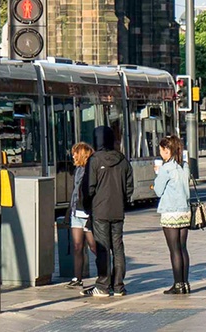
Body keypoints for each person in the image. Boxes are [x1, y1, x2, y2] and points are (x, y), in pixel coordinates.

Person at [81, 126, 133, 298]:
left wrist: (88, 206)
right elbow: (129, 187)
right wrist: (122, 202)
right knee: (118, 248)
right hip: (118, 211)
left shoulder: (94, 160)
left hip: (100, 211)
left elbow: (88, 187)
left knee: (103, 248)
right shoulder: (123, 160)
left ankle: (103, 285)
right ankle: (119, 286)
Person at [154, 134, 191, 295]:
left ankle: (177, 284)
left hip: (170, 212)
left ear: (166, 150)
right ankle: (185, 283)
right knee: (183, 248)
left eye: (161, 150)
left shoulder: (166, 168)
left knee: (174, 250)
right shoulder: (184, 166)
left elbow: (158, 191)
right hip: (185, 210)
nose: (161, 153)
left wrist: (157, 173)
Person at [66, 142, 98, 289]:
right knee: (78, 246)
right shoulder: (78, 170)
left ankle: (106, 273)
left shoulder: (91, 170)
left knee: (93, 246)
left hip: (87, 213)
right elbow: (75, 191)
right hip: (76, 212)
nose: (73, 155)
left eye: (75, 153)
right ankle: (77, 277)